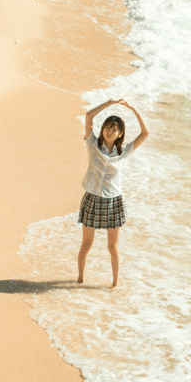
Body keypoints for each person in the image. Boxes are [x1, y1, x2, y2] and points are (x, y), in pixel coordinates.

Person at [77, 99, 149, 287]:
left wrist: (133, 108)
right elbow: (89, 116)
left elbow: (145, 133)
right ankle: (79, 279)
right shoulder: (92, 143)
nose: (109, 131)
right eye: (107, 127)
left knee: (112, 246)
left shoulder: (123, 152)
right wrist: (110, 103)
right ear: (102, 130)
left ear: (120, 134)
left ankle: (115, 283)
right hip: (92, 197)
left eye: (114, 129)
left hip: (113, 201)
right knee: (87, 243)